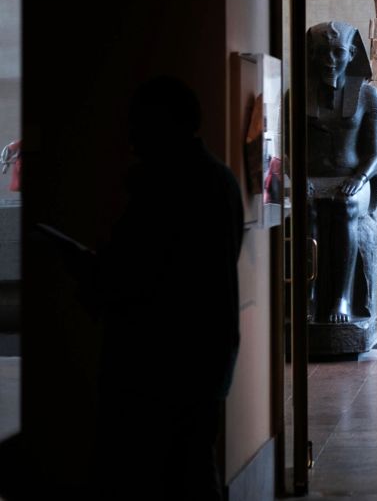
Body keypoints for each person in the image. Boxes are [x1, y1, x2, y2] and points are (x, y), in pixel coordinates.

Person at [96, 76, 244, 500]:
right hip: (202, 356)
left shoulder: (168, 187)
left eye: (138, 124)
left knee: (176, 471)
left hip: (167, 360)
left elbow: (149, 271)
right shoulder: (219, 181)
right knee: (194, 467)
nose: (130, 136)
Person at [306, 21, 377, 326]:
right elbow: (289, 149)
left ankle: (341, 297)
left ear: (351, 54)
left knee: (344, 206)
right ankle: (308, 294)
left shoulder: (367, 96)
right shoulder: (296, 95)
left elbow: (375, 154)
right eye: (323, 53)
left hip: (354, 177)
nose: (330, 61)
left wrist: (359, 178)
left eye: (337, 53)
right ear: (312, 55)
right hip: (312, 178)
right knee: (307, 211)